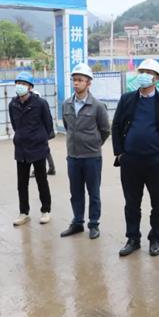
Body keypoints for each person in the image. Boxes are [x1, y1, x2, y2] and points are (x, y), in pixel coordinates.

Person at [112, 58, 159, 257]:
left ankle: (155, 239)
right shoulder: (127, 99)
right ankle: (133, 238)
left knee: (158, 204)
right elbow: (116, 126)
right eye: (142, 71)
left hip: (156, 160)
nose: (145, 75)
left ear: (157, 78)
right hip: (131, 160)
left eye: (149, 72)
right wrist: (120, 153)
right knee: (131, 203)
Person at [60, 63, 111, 240]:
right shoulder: (66, 104)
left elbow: (105, 130)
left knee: (93, 192)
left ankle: (94, 224)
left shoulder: (97, 106)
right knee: (75, 192)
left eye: (80, 80)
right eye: (74, 80)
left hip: (91, 157)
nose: (76, 83)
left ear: (88, 83)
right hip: (73, 157)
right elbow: (68, 127)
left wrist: (94, 144)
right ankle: (77, 222)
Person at [8, 71, 54, 227]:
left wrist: (39, 138)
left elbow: (48, 125)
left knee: (42, 181)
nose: (20, 86)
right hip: (21, 149)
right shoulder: (13, 104)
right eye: (18, 83)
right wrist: (21, 137)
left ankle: (46, 210)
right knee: (22, 183)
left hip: (38, 148)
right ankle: (24, 213)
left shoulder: (40, 104)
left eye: (23, 84)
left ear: (30, 87)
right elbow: (15, 125)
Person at [29, 88, 57, 177]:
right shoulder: (43, 104)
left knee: (37, 152)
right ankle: (51, 168)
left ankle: (38, 170)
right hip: (43, 133)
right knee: (45, 151)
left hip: (39, 133)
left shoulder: (37, 107)